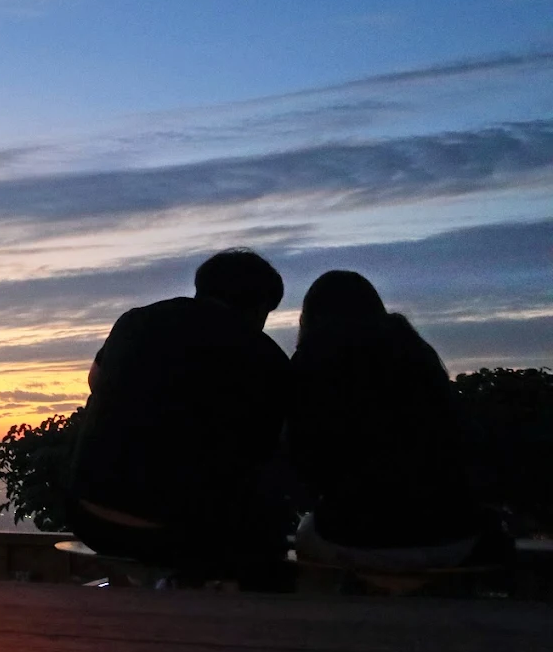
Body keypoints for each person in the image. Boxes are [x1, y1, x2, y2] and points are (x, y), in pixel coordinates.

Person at [67, 249, 294, 587]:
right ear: (260, 308)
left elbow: (95, 381)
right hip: (181, 534)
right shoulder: (266, 356)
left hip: (88, 513)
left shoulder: (135, 321)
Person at [287, 270, 511, 570]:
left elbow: (302, 460)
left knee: (306, 533)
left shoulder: (310, 364)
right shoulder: (417, 356)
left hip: (349, 536)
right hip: (456, 535)